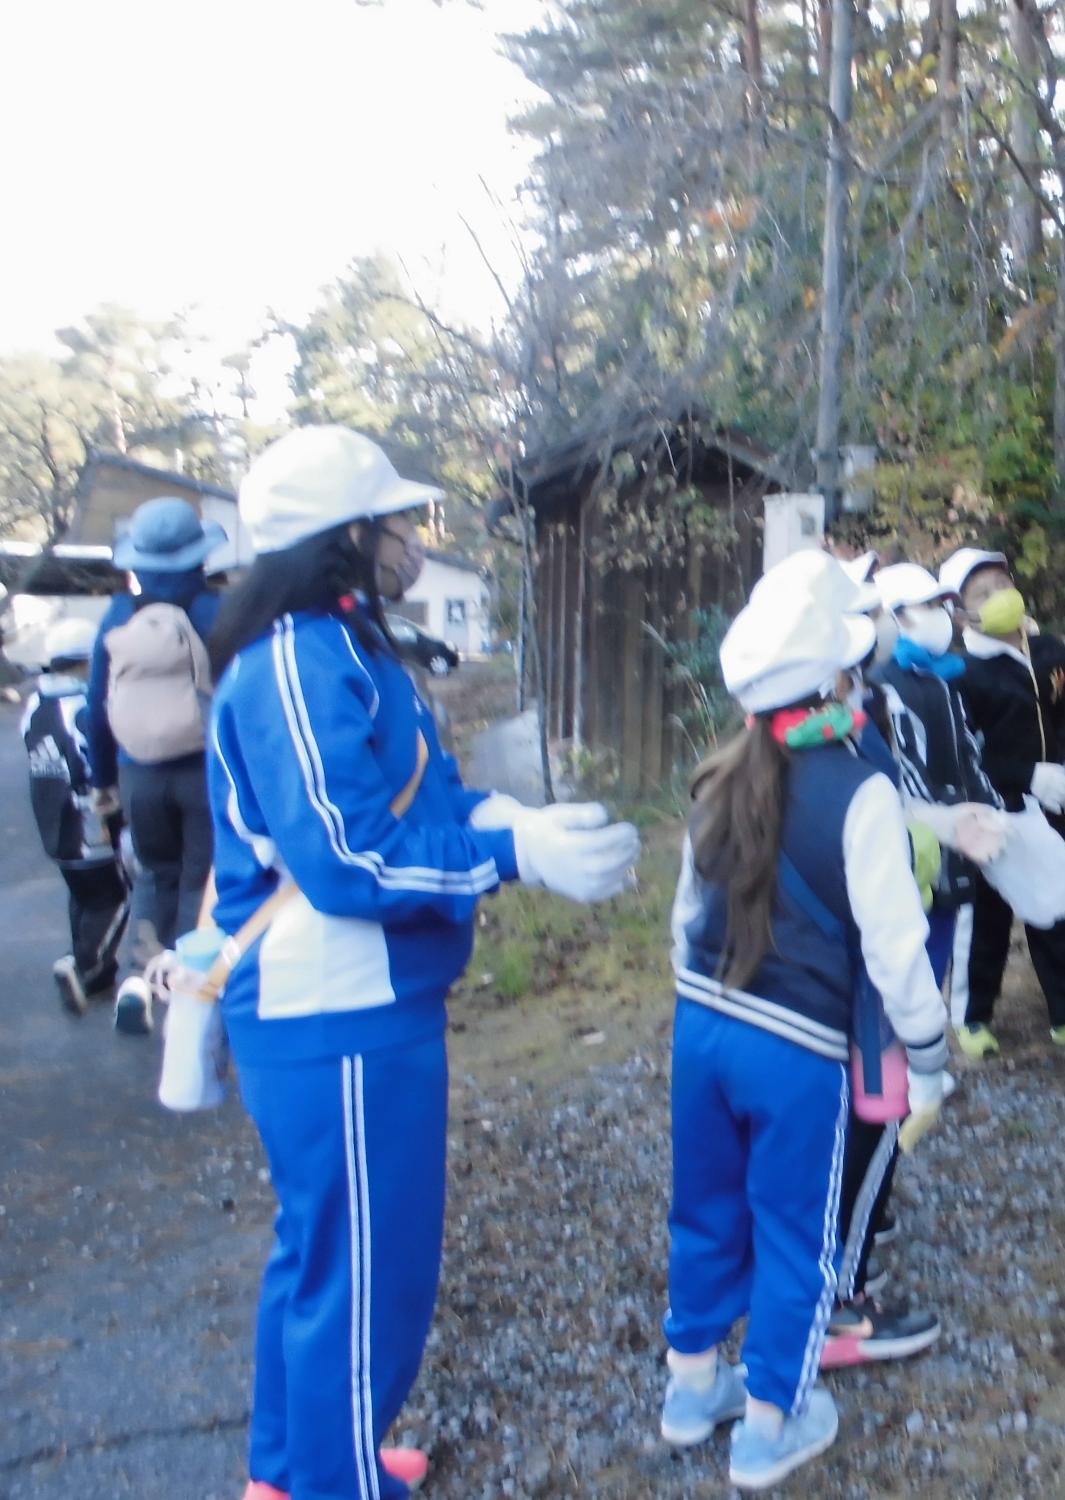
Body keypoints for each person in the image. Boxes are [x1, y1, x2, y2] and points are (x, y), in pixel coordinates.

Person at [207, 425, 640, 1500]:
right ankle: (335, 1484)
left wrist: (504, 817)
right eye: (396, 521)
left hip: (358, 1004)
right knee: (365, 1276)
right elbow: (348, 858)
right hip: (332, 1010)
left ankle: (300, 1468)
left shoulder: (350, 650)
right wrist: (509, 852)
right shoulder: (298, 667)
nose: (412, 539)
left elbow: (423, 800)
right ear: (345, 539)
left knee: (322, 1259)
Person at [661, 558, 952, 1491]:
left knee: (703, 1210)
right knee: (796, 1234)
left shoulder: (718, 775)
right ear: (838, 679)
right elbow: (898, 955)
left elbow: (681, 919)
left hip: (699, 1025)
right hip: (796, 1050)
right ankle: (769, 1425)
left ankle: (690, 1388)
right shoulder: (860, 789)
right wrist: (931, 1054)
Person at [821, 560, 1008, 1367]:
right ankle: (841, 1304)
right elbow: (868, 837)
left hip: (856, 956)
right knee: (880, 1106)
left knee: (862, 1111)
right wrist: (927, 1043)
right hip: (862, 963)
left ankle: (843, 1249)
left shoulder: (848, 717)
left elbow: (896, 801)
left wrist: (947, 819)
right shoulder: (840, 726)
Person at [938, 547, 1065, 1062]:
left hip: (1048, 809)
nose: (999, 598)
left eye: (1002, 583)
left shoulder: (1050, 653)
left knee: (1055, 903)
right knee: (988, 918)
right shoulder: (962, 672)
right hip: (991, 814)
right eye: (982, 594)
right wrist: (1025, 776)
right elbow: (964, 753)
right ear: (961, 611)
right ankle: (973, 1015)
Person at [84, 495, 227, 1035]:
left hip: (137, 771)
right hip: (202, 771)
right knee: (198, 878)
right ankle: (190, 991)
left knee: (154, 874)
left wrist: (103, 782)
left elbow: (97, 706)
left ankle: (136, 980)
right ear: (199, 557)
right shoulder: (215, 611)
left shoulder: (118, 617)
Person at [24, 617, 131, 1015]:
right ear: (87, 662)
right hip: (90, 822)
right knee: (114, 896)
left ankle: (88, 966)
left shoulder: (36, 708)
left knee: (84, 896)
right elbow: (97, 763)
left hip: (53, 823)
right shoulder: (82, 710)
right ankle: (85, 967)